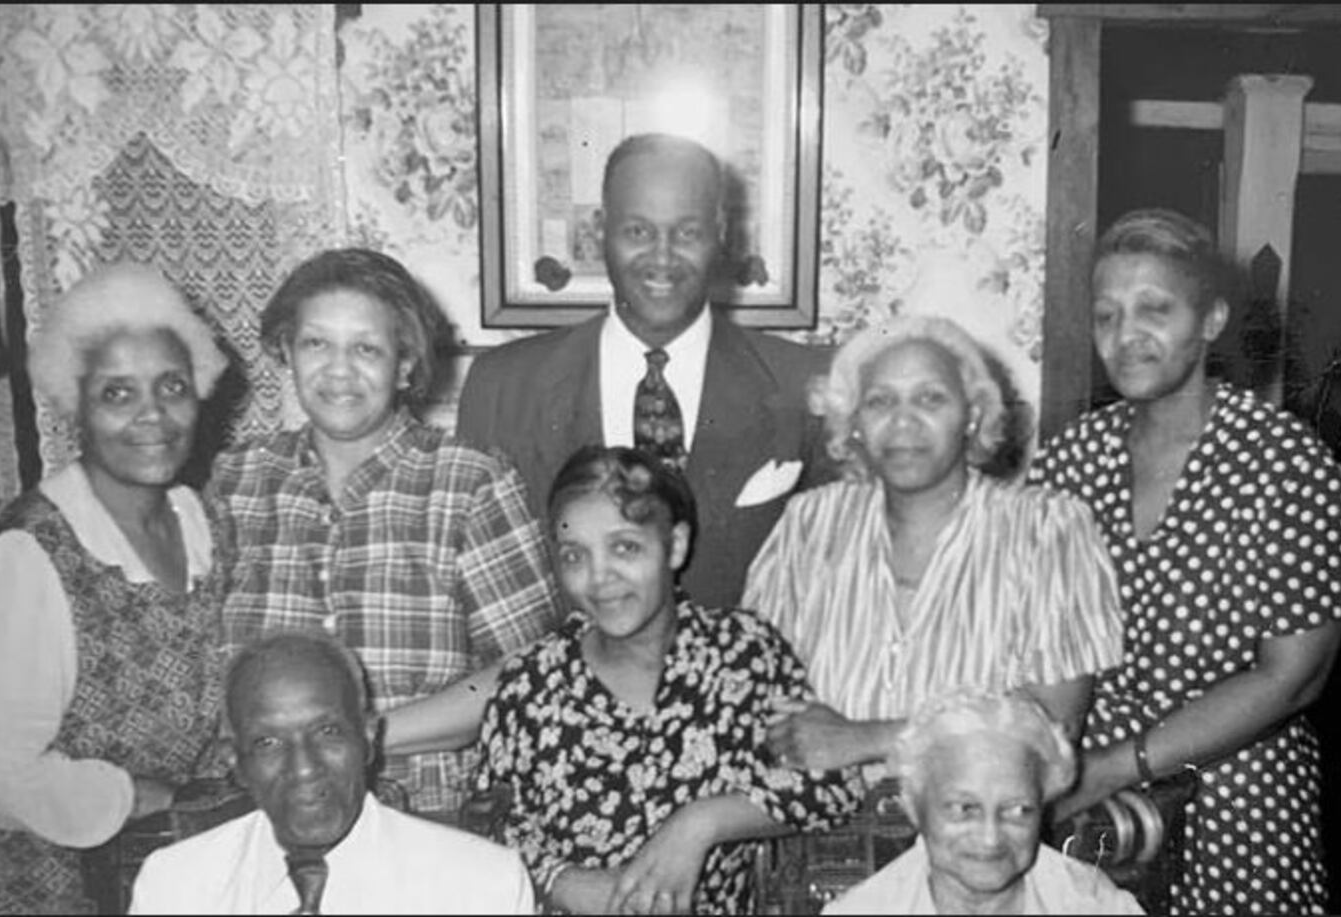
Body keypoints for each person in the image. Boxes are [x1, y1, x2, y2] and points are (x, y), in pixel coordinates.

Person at [1028, 208, 1341, 914]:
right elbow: (1057, 649)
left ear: (1211, 319)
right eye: (1107, 315)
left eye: (1155, 309)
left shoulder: (1287, 463)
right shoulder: (1069, 460)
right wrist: (1049, 767)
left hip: (1238, 801)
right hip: (1094, 812)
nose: (1126, 336)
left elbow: (1292, 676)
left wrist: (1111, 768)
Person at [209, 248, 562, 819]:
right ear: (286, 352)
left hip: (421, 815)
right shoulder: (238, 481)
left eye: (366, 349)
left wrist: (363, 737)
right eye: (316, 344)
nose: (339, 370)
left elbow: (531, 674)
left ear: (404, 365)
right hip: (262, 817)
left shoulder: (470, 482)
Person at [0, 263, 230, 913]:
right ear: (75, 402)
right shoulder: (34, 552)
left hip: (159, 875)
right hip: (40, 889)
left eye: (171, 385)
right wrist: (131, 796)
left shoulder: (200, 518)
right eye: (117, 393)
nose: (152, 415)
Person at [476, 446, 864, 914]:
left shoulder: (743, 652)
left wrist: (701, 823)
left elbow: (832, 785)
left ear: (675, 546)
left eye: (625, 548)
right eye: (574, 556)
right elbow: (489, 830)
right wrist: (566, 883)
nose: (600, 578)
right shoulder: (531, 685)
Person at [456, 132, 829, 608]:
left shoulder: (803, 384)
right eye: (638, 231)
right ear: (599, 230)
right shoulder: (502, 388)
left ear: (721, 233)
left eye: (687, 232)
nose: (662, 256)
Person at [742, 314, 1124, 774]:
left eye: (930, 399)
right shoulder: (810, 524)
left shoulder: (1048, 529)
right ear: (854, 422)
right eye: (880, 401)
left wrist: (869, 739)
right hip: (821, 827)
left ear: (972, 415)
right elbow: (759, 694)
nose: (904, 422)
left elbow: (1052, 728)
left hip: (976, 833)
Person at [129, 631, 534, 914]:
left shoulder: (481, 885)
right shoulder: (175, 885)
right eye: (268, 743)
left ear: (369, 738)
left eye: (327, 732)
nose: (304, 768)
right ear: (236, 762)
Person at [824, 688, 1143, 915]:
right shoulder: (864, 910)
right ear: (913, 807)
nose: (990, 838)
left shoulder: (1092, 904)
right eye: (964, 809)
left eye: (1017, 811)